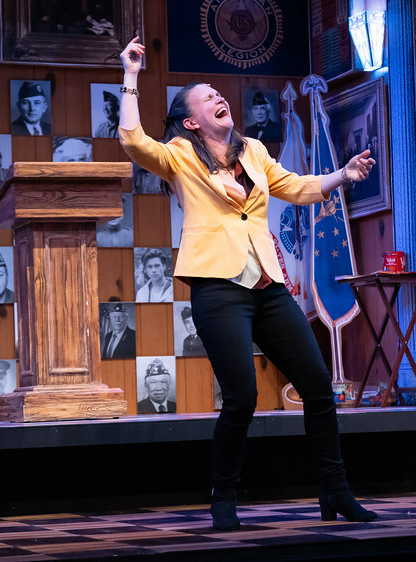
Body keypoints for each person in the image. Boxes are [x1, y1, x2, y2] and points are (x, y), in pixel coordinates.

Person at [116, 37, 377, 529]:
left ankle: (335, 490)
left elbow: (295, 187)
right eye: (207, 96)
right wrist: (130, 76)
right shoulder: (179, 155)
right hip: (217, 286)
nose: (219, 97)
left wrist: (342, 174)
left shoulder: (253, 150)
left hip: (267, 284)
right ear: (192, 121)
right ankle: (223, 495)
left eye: (220, 92)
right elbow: (133, 142)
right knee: (242, 396)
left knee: (319, 388)